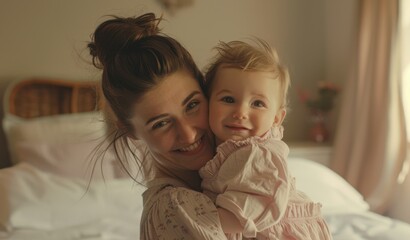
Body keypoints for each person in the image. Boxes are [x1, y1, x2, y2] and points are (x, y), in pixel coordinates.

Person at [87, 13, 231, 239]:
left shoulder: (235, 179)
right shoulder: (174, 208)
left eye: (192, 105)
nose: (188, 133)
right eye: (161, 123)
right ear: (130, 130)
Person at [199, 39, 333, 239]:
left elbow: (244, 215)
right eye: (228, 99)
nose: (241, 112)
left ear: (277, 119)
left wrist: (195, 217)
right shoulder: (222, 151)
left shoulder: (257, 154)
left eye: (258, 103)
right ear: (208, 103)